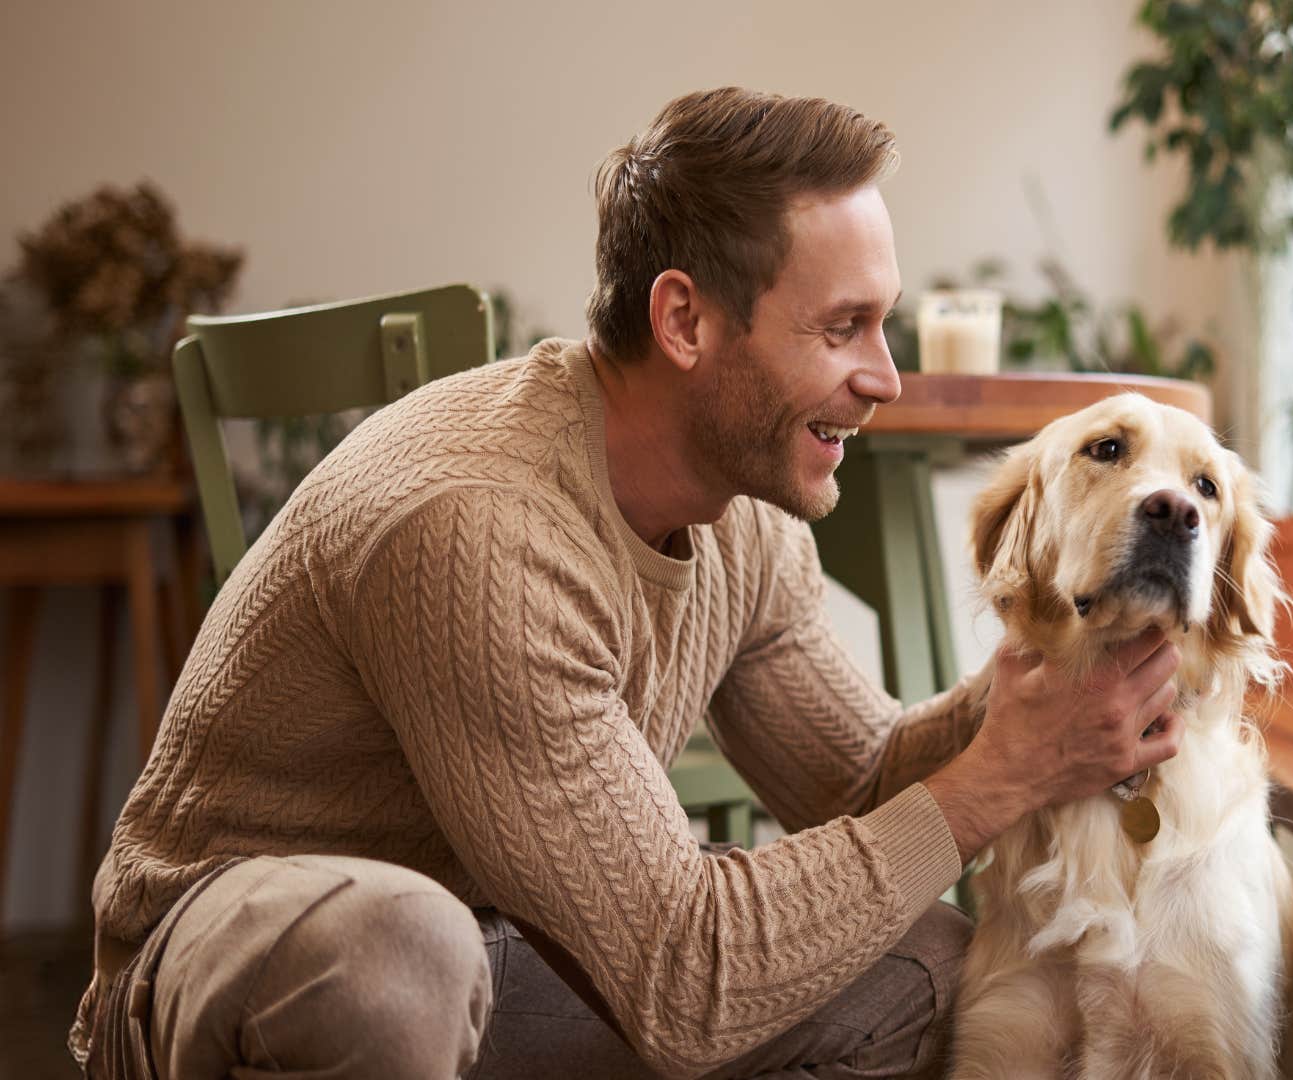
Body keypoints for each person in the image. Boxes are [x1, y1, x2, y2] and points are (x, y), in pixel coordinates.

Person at [70, 86, 1184, 1079]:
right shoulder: (479, 531)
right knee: (406, 953)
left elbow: (857, 784)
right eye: (844, 327)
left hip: (497, 944)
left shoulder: (744, 510)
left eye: (881, 323)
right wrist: (1000, 779)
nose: (885, 378)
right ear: (685, 320)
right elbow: (683, 977)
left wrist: (1031, 695)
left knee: (932, 972)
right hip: (242, 969)